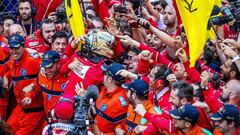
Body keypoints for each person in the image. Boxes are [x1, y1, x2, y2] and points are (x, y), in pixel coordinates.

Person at [4, 34, 45, 134]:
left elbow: (44, 78)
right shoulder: (13, 59)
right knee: (7, 129)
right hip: (21, 107)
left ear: (23, 47)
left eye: (16, 48)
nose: (14, 51)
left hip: (34, 110)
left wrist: (29, 95)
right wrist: (6, 76)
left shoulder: (33, 61)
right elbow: (11, 67)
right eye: (11, 48)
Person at [23, 50, 68, 120]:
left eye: (50, 67)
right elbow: (36, 87)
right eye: (45, 67)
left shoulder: (68, 77)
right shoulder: (42, 74)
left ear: (58, 64)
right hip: (48, 119)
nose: (47, 70)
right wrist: (28, 97)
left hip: (64, 122)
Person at [135, 103, 212, 135]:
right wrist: (145, 114)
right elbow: (161, 122)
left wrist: (144, 114)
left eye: (177, 119)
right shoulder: (177, 127)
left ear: (187, 124)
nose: (173, 120)